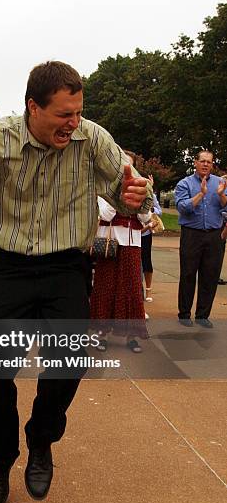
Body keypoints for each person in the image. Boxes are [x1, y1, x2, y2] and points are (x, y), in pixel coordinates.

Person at [0, 62, 151, 503]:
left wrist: (138, 195)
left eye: (78, 112)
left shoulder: (92, 138)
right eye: (64, 114)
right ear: (33, 106)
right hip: (10, 268)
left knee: (68, 364)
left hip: (67, 267)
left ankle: (41, 438)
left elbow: (129, 189)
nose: (74, 123)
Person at [90, 151, 151, 353]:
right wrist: (119, 194)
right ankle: (101, 333)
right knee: (105, 285)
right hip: (110, 240)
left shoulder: (141, 190)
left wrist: (137, 198)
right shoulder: (105, 188)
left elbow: (144, 218)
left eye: (131, 167)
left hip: (132, 242)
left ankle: (131, 335)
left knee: (131, 288)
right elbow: (106, 213)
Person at [175, 150, 227, 328]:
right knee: (188, 274)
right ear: (195, 162)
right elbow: (182, 207)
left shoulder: (220, 183)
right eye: (202, 161)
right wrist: (201, 194)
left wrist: (220, 194)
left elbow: (226, 206)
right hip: (192, 234)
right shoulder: (185, 183)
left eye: (209, 162)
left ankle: (203, 315)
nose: (206, 164)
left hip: (215, 235)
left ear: (212, 164)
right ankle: (184, 314)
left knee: (210, 275)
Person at [140, 174, 163, 302]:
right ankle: (138, 290)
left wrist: (152, 208)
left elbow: (159, 211)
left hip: (146, 233)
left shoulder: (151, 196)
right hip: (133, 232)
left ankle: (148, 289)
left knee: (146, 261)